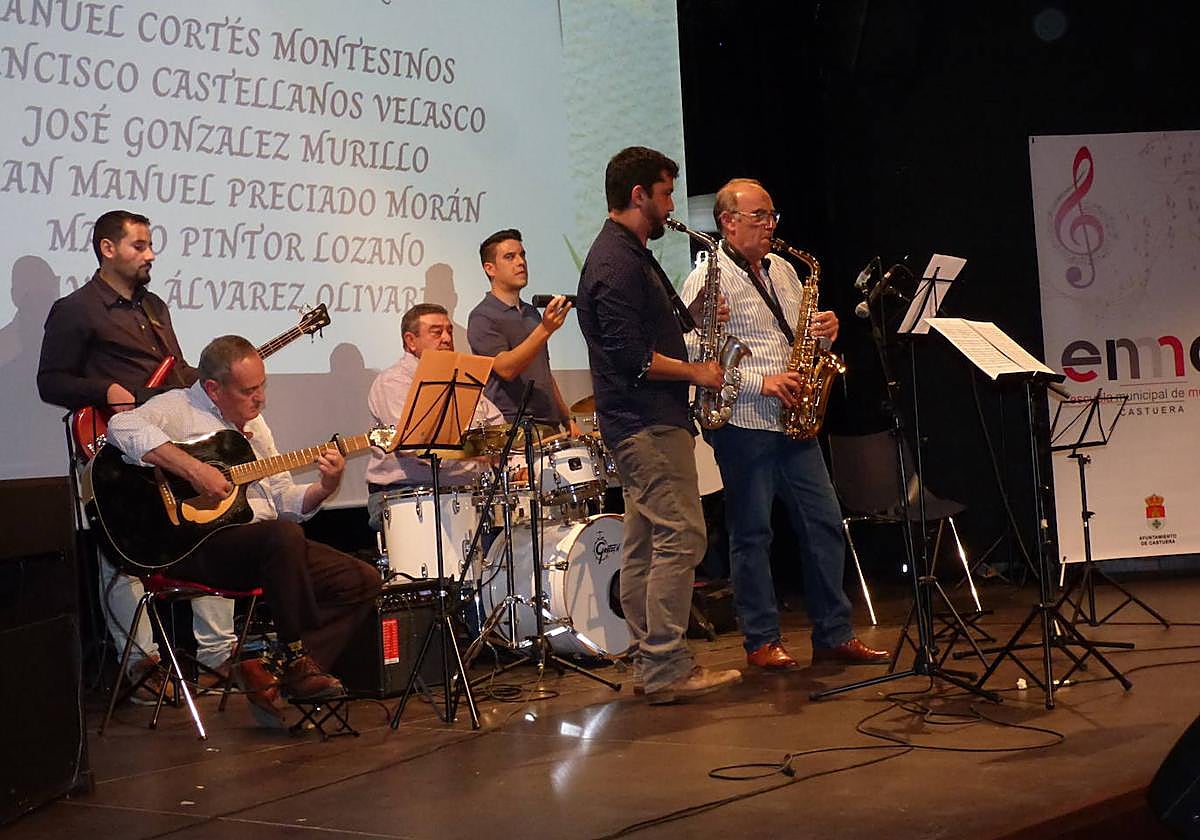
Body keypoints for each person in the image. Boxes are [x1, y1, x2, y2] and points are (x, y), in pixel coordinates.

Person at [105, 335, 382, 718]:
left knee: (361, 580)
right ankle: (296, 657)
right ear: (213, 389)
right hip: (196, 546)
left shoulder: (257, 426)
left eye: (262, 387)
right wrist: (194, 469)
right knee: (282, 536)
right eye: (249, 391)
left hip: (266, 549)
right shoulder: (178, 407)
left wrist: (325, 486)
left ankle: (280, 670)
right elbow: (121, 426)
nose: (260, 399)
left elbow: (284, 501)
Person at [681, 178, 889, 670]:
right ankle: (760, 640)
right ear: (728, 223)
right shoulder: (706, 278)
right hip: (743, 421)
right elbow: (692, 351)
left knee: (824, 524)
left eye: (772, 216)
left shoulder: (787, 271)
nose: (770, 225)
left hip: (794, 423)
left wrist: (825, 335)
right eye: (759, 217)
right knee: (752, 534)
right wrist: (762, 381)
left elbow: (799, 338)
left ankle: (833, 633)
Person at [36, 210, 237, 703]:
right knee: (122, 554)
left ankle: (218, 659)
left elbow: (175, 374)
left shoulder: (156, 307)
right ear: (108, 249)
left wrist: (218, 379)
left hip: (167, 444)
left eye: (150, 245)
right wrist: (105, 389)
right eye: (139, 246)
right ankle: (142, 666)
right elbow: (50, 382)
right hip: (114, 451)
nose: (150, 255)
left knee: (204, 530)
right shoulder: (75, 309)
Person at [576, 146, 742, 704]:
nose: (672, 206)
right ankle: (666, 663)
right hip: (645, 422)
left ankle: (652, 664)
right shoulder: (616, 263)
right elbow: (634, 358)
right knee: (683, 535)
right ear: (638, 194)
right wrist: (698, 371)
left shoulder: (627, 255)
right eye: (666, 193)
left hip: (645, 421)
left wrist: (694, 321)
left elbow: (642, 338)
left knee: (645, 545)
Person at [365, 302, 504, 530]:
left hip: (470, 494)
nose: (447, 338)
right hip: (409, 495)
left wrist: (507, 455)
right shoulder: (393, 382)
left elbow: (498, 429)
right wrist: (474, 450)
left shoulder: (463, 378)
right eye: (436, 332)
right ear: (411, 341)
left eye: (449, 331)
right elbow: (415, 446)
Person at [467, 229, 579, 434]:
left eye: (522, 255)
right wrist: (545, 329)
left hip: (549, 424)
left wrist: (566, 418)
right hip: (513, 428)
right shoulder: (482, 316)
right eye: (510, 257)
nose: (521, 262)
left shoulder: (531, 313)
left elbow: (543, 371)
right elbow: (506, 369)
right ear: (490, 268)